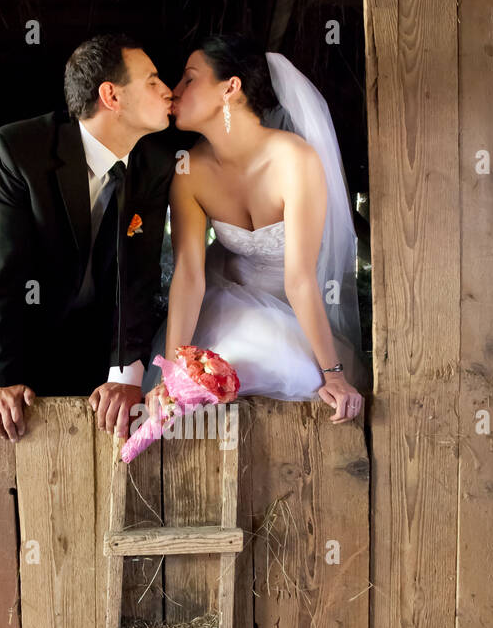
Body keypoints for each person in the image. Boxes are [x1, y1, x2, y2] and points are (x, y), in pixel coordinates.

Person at [145, 34, 366, 421]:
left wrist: (333, 374)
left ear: (230, 88)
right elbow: (189, 276)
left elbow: (299, 279)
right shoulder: (189, 172)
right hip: (231, 297)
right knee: (215, 366)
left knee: (285, 365)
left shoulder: (294, 159)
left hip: (299, 306)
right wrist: (173, 371)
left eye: (188, 79)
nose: (172, 91)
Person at [0, 33, 175, 440]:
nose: (168, 90)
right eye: (152, 81)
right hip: (28, 340)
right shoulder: (16, 152)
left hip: (102, 345)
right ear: (111, 96)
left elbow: (137, 277)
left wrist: (125, 376)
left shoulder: (154, 164)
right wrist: (4, 377)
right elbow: (3, 272)